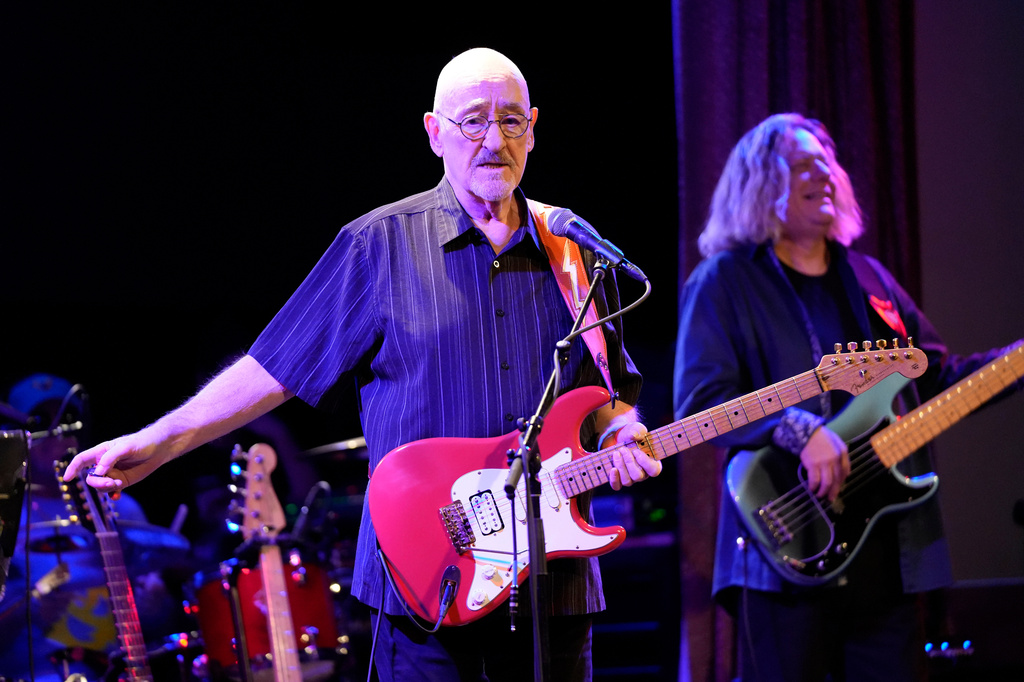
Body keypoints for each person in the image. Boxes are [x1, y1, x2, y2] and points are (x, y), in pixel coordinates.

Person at [64, 47, 662, 681]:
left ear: (533, 129)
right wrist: (160, 442)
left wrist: (624, 434)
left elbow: (606, 400)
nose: (494, 140)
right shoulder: (379, 246)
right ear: (435, 133)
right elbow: (275, 368)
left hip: (553, 594)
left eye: (511, 121)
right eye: (473, 122)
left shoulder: (574, 253)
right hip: (426, 590)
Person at [672, 113, 1022, 681]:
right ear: (759, 182)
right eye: (804, 163)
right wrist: (801, 430)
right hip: (781, 544)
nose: (826, 173)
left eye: (829, 161)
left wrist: (1016, 362)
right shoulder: (724, 281)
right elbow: (700, 403)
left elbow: (937, 379)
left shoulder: (870, 277)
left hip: (885, 555)